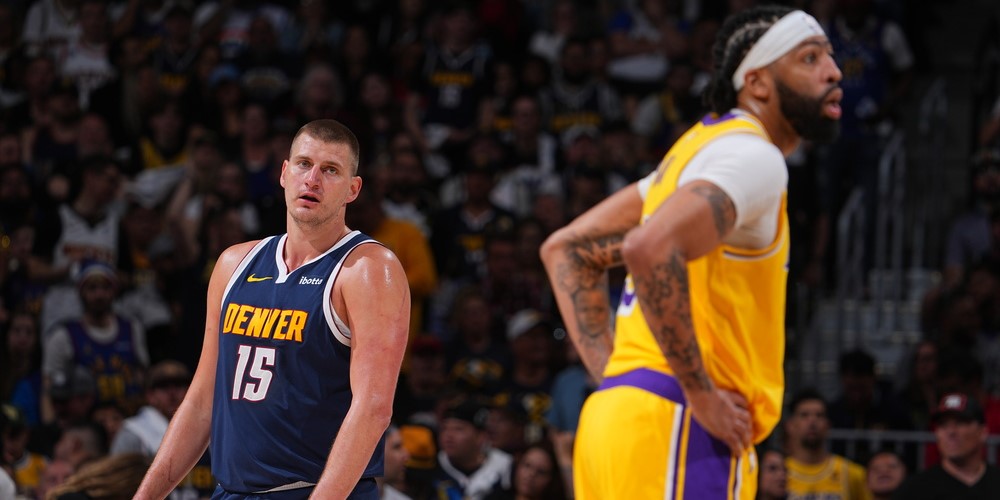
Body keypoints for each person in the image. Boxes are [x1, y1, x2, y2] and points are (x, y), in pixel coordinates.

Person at [539, 5, 842, 498]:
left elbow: (569, 249)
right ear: (758, 83)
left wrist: (616, 376)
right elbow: (649, 247)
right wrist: (701, 394)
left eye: (829, 56)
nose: (833, 72)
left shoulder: (693, 153)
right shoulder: (754, 155)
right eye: (810, 58)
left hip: (620, 420)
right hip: (681, 426)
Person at [134, 119, 411, 499]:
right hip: (230, 491)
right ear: (284, 173)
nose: (312, 180)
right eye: (304, 164)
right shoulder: (234, 264)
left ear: (353, 189)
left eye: (330, 170)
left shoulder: (366, 269)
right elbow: (202, 401)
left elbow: (374, 409)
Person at [893, 392, 1000, 499]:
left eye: (960, 423)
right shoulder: (913, 490)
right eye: (943, 424)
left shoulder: (996, 482)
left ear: (982, 432)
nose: (951, 431)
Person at [784, 389, 871, 500]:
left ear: (828, 425)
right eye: (804, 415)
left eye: (819, 415)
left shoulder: (852, 474)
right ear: (790, 426)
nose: (812, 421)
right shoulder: (779, 473)